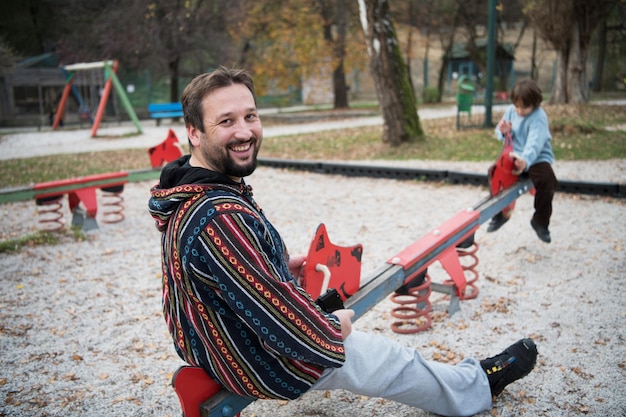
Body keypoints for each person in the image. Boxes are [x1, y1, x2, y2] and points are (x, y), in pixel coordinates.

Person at [148, 66, 538, 416]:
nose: (245, 131)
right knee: (390, 361)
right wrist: (334, 328)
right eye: (226, 121)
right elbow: (286, 327)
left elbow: (223, 277)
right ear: (194, 132)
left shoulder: (192, 191)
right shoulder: (218, 218)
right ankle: (477, 386)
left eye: (250, 116)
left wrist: (279, 269)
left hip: (210, 340)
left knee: (341, 317)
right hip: (253, 357)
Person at [486, 79, 557, 243]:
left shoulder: (538, 117)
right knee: (494, 173)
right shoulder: (512, 110)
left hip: (536, 157)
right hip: (515, 155)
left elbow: (535, 143)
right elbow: (499, 130)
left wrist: (525, 160)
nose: (519, 110)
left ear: (535, 104)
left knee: (548, 181)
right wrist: (504, 132)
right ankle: (500, 214)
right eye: (517, 106)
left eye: (524, 107)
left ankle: (540, 221)